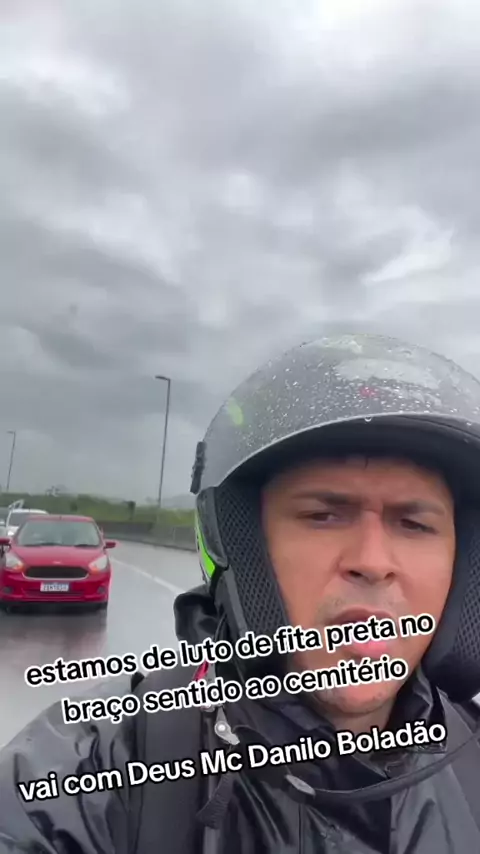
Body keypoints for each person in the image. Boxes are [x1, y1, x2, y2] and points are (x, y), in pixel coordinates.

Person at [1, 331, 480, 854]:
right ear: (241, 546)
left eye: (414, 524)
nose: (372, 562)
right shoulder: (91, 771)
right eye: (323, 516)